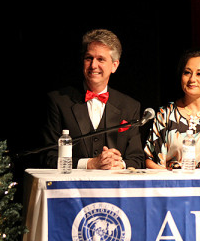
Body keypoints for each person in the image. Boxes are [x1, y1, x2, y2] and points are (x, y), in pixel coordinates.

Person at [42, 29, 144, 169]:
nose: (93, 65)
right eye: (89, 58)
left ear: (114, 65)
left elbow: (137, 160)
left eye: (100, 59)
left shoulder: (130, 106)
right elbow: (48, 157)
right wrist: (89, 163)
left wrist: (119, 164)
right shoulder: (59, 101)